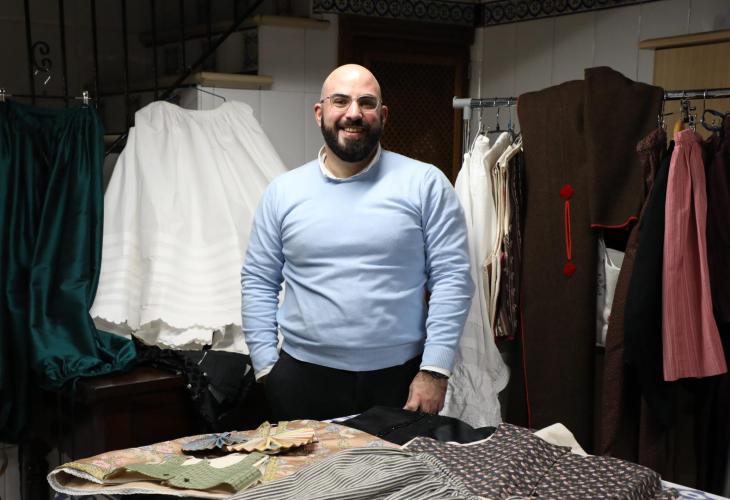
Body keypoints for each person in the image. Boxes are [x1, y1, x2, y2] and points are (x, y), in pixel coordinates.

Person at [241, 64, 473, 421]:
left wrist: (435, 370)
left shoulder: (426, 184)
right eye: (340, 101)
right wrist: (266, 366)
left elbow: (452, 278)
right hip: (301, 380)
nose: (354, 113)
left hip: (402, 382)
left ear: (383, 115)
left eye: (366, 103)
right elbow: (258, 279)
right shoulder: (282, 192)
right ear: (319, 113)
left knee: (399, 462)